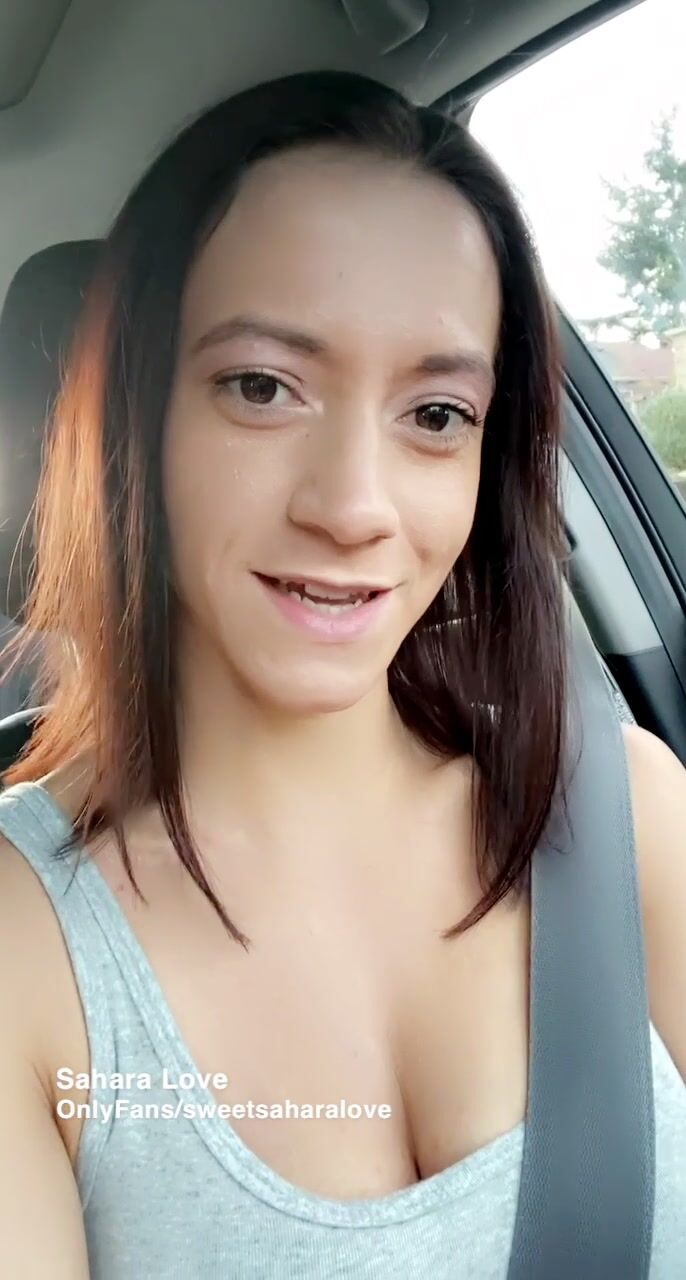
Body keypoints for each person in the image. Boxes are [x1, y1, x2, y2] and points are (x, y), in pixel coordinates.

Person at [0, 70, 683, 1279]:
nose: (354, 505)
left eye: (435, 413)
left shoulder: (629, 811)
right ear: (133, 416)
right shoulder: (26, 942)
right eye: (262, 387)